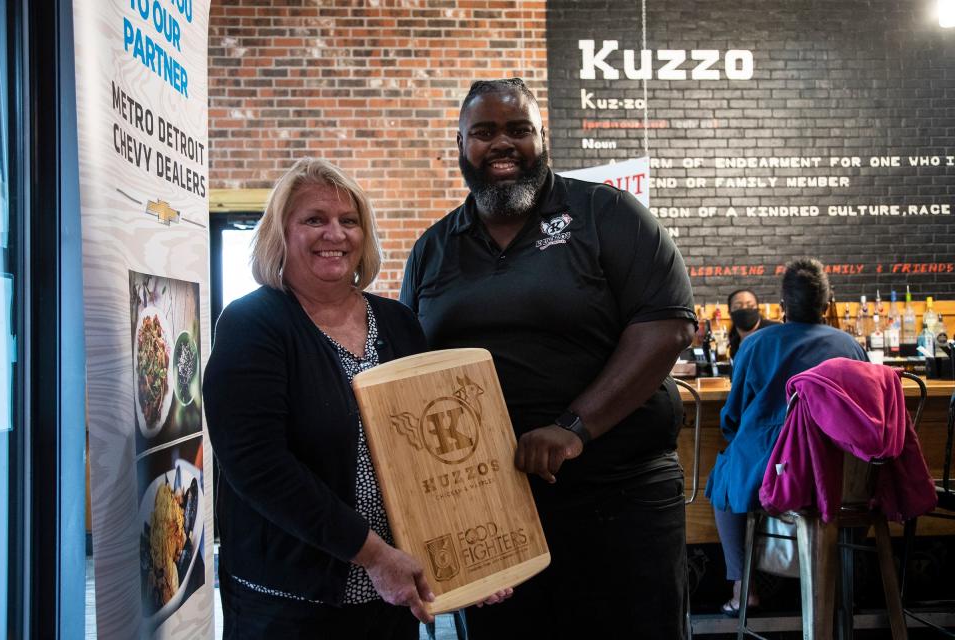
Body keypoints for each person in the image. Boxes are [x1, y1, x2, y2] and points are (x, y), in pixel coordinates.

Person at [400, 78, 697, 639]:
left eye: (518, 130)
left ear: (543, 137)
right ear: (460, 146)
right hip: (491, 511)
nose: (501, 144)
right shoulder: (433, 248)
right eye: (483, 133)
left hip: (618, 496)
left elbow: (666, 327)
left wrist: (573, 427)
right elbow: (412, 373)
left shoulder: (607, 213)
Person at [204, 158, 510, 639]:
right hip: (290, 600)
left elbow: (430, 454)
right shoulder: (253, 324)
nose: (335, 234)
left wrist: (471, 561)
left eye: (349, 221)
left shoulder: (398, 323)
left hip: (390, 593)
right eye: (314, 220)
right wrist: (371, 554)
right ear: (280, 234)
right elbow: (256, 466)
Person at [705, 259, 867, 616]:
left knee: (723, 478)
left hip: (773, 469)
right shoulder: (850, 347)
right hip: (837, 474)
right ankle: (837, 580)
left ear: (782, 307)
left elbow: (733, 416)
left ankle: (742, 588)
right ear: (826, 306)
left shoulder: (756, 345)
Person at [726, 288, 779, 359]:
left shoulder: (775, 331)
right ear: (729, 313)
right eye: (738, 307)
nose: (744, 309)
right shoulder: (734, 340)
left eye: (750, 306)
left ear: (758, 309)